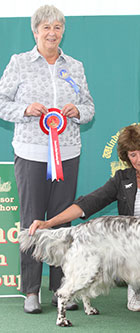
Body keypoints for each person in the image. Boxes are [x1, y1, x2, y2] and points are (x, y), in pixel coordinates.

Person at [28, 123, 140, 312]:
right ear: (126, 157)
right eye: (133, 155)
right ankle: (136, 287)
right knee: (125, 247)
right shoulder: (122, 178)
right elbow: (89, 203)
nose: (139, 159)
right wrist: (49, 223)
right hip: (132, 249)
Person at [0, 5, 95, 314]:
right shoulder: (19, 63)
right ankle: (30, 290)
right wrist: (25, 110)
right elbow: (1, 103)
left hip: (68, 153)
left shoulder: (75, 66)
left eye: (57, 27)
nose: (52, 33)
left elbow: (90, 107)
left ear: (62, 30)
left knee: (62, 222)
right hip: (30, 153)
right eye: (46, 28)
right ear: (35, 32)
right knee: (31, 221)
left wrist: (78, 111)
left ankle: (60, 288)